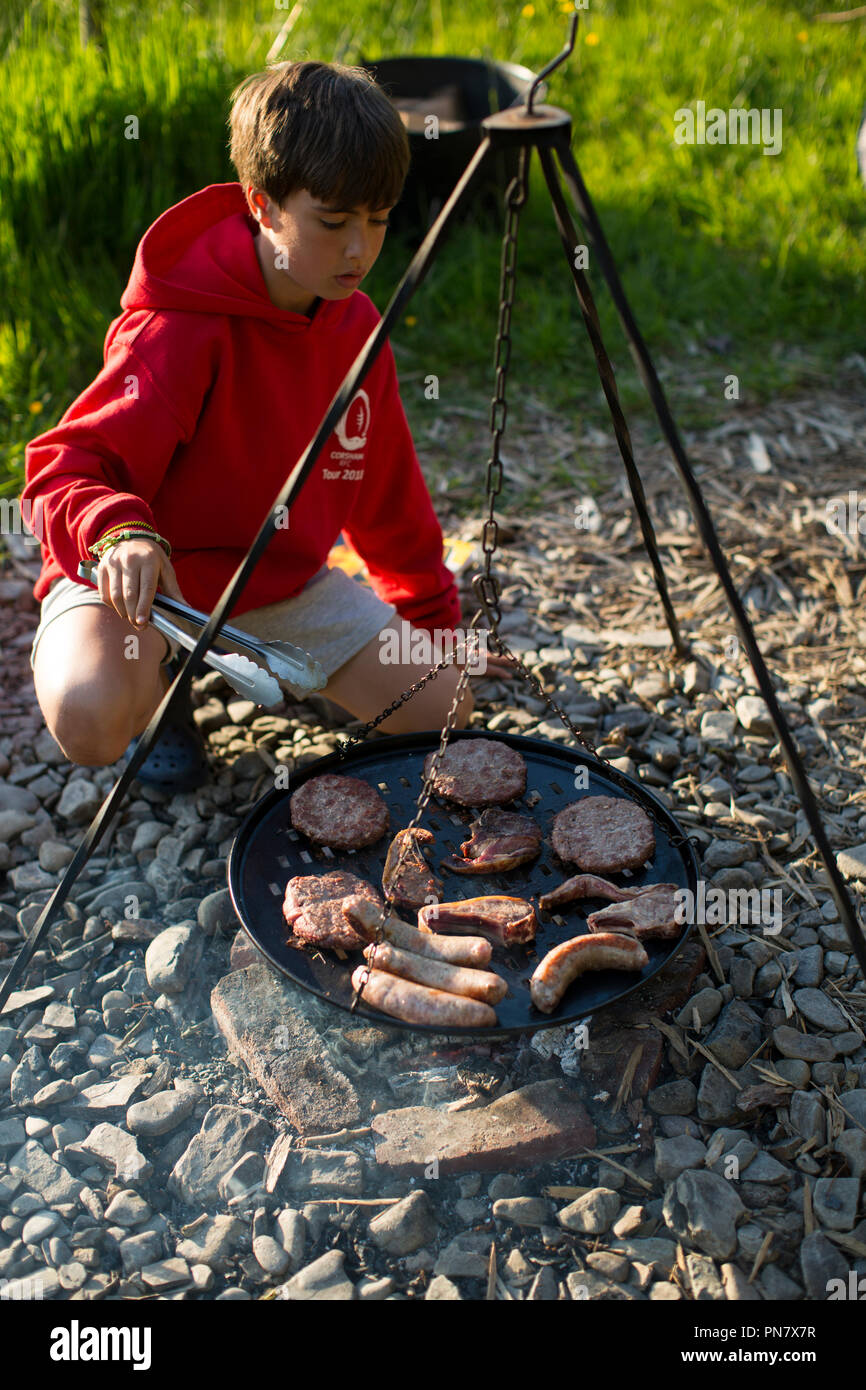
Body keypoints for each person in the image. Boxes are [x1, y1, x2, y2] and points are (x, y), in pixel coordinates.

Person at [21, 59, 510, 790]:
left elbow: (388, 492)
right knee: (90, 717)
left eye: (378, 221)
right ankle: (161, 687)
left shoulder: (359, 329)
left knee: (444, 706)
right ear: (263, 204)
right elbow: (62, 465)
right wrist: (119, 531)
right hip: (146, 585)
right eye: (333, 222)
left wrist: (435, 630)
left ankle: (273, 665)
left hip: (279, 587)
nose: (359, 250)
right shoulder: (178, 328)